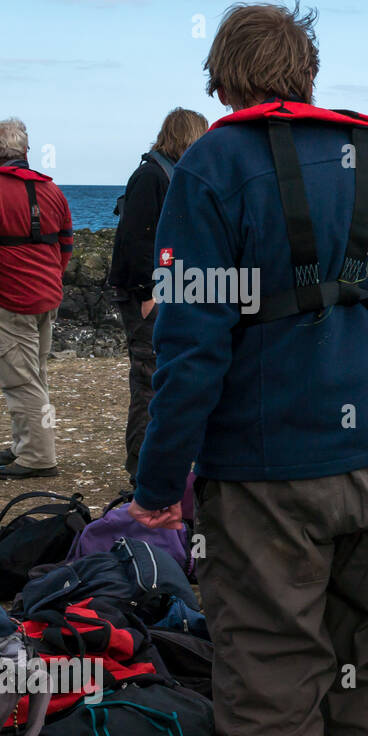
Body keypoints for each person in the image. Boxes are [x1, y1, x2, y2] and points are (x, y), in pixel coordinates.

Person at [127, 2, 368, 736]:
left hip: (268, 485)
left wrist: (160, 485)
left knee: (272, 697)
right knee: (367, 680)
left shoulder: (210, 166)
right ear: (304, 71)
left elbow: (191, 345)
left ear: (226, 78)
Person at [107, 107, 209, 483]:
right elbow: (135, 239)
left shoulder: (166, 173)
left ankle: (155, 467)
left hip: (164, 291)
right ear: (188, 138)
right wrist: (149, 292)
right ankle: (140, 473)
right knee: (150, 380)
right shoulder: (151, 176)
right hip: (146, 296)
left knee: (162, 377)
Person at [0, 117, 73, 479]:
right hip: (48, 295)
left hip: (13, 299)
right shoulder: (53, 190)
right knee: (35, 374)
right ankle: (24, 445)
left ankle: (38, 458)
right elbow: (66, 246)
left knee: (21, 379)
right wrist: (52, 278)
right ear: (25, 151)